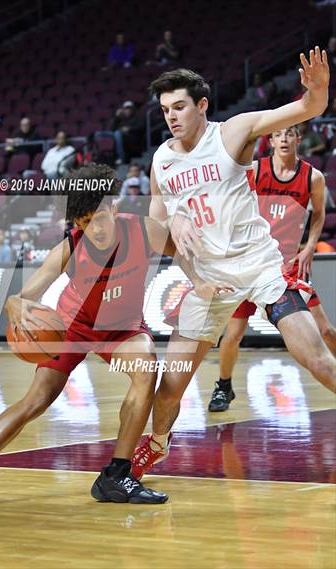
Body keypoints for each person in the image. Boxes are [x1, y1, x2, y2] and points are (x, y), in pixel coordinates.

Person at [0, 163, 223, 511]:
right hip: (74, 327)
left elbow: (179, 252)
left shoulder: (145, 230)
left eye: (100, 218)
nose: (95, 229)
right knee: (36, 401)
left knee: (147, 370)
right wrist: (13, 304)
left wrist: (199, 280)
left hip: (122, 329)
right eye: (85, 222)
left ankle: (116, 475)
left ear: (113, 208)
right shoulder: (71, 247)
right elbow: (26, 296)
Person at [131, 48, 336, 480]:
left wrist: (317, 92)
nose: (171, 116)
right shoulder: (162, 161)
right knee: (172, 383)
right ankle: (158, 445)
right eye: (165, 109)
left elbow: (305, 107)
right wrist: (177, 229)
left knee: (314, 356)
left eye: (180, 106)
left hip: (261, 267)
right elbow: (154, 228)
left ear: (202, 105)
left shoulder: (232, 132)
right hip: (208, 278)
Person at [209, 125, 336, 412]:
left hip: (286, 267)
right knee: (233, 334)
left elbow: (319, 216)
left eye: (289, 134)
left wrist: (310, 246)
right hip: (250, 263)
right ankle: (224, 386)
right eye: (278, 134)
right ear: (271, 140)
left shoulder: (312, 177)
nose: (284, 139)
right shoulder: (254, 169)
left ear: (298, 139)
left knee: (325, 329)